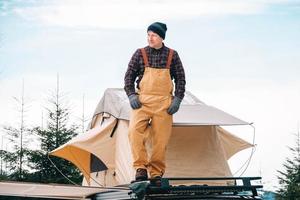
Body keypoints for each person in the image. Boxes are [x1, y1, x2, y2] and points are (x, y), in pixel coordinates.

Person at [124, 22, 186, 186]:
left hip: (164, 103)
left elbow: (180, 79)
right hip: (142, 102)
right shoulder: (140, 53)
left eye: (154, 35)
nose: (150, 38)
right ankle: (140, 169)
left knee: (160, 140)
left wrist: (177, 99)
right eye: (148, 34)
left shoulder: (172, 55)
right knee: (133, 132)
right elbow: (128, 76)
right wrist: (131, 95)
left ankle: (156, 174)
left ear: (161, 38)